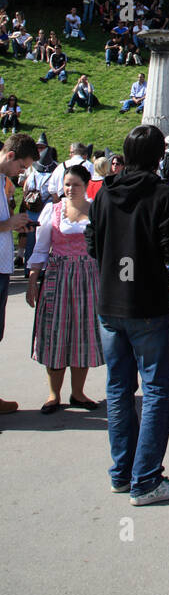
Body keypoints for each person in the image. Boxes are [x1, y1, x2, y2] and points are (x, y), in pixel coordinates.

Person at [86, 125, 169, 504]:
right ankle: (145, 478)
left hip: (111, 302)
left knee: (119, 388)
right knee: (157, 389)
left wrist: (116, 269)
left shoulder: (105, 194)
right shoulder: (163, 194)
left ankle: (122, 472)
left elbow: (93, 242)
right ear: (159, 156)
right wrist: (151, 274)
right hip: (146, 304)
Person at [26, 164, 103, 413]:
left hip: (89, 277)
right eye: (67, 184)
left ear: (85, 185)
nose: (70, 189)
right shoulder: (53, 210)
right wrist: (32, 280)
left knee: (83, 334)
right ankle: (53, 395)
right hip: (58, 277)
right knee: (55, 335)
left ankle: (78, 393)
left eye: (75, 185)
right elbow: (40, 248)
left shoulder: (96, 210)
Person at [0, 134, 38, 411]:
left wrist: (13, 225)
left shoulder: (3, 182)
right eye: (22, 167)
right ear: (11, 156)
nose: (21, 173)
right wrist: (8, 223)